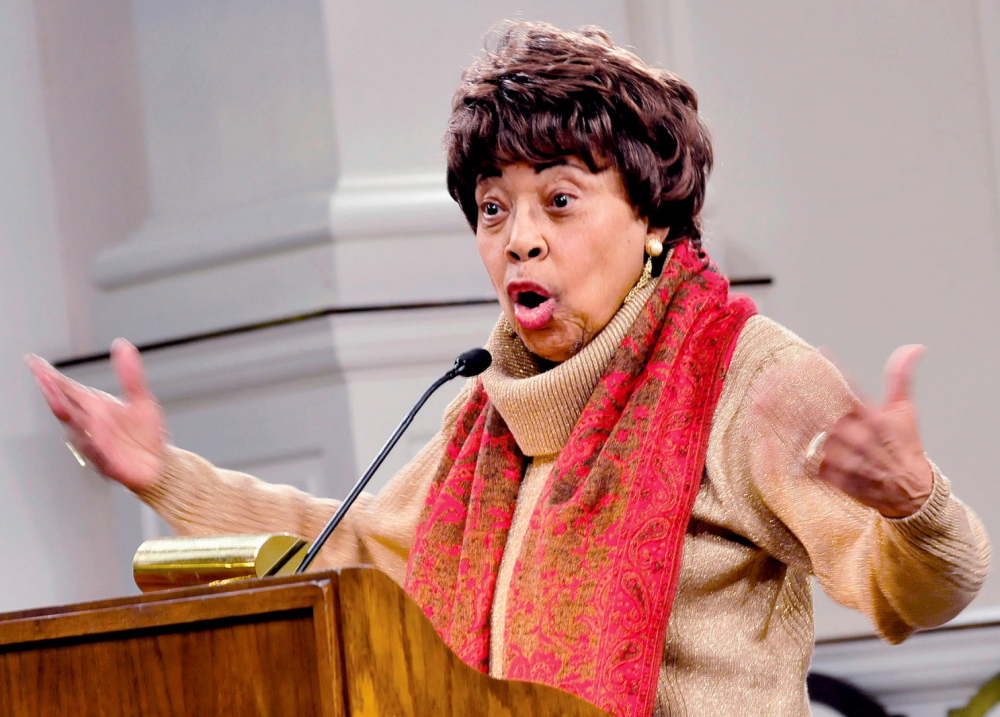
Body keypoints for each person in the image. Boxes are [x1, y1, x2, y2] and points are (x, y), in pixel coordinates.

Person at [27, 21, 989, 717]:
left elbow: (918, 590)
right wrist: (164, 474)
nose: (518, 238)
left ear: (654, 220)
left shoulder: (746, 378)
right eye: (494, 207)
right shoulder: (486, 411)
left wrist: (914, 503)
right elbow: (353, 553)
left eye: (559, 201)